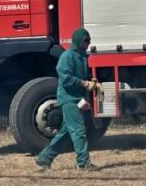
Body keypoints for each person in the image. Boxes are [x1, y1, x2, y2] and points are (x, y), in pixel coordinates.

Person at [35, 27, 103, 172]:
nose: (88, 44)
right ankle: (83, 163)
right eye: (86, 41)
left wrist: (94, 81)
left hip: (78, 99)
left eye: (89, 41)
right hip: (69, 99)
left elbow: (85, 75)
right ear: (78, 41)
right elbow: (66, 79)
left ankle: (44, 158)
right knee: (79, 131)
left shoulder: (82, 56)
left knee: (65, 133)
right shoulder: (67, 57)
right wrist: (85, 84)